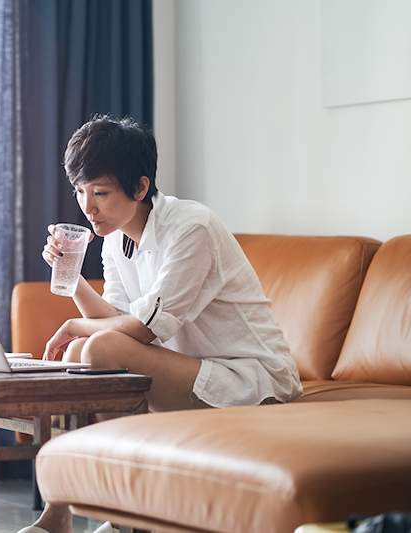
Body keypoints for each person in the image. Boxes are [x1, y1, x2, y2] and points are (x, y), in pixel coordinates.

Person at [18, 116, 302, 533]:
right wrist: (73, 278)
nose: (87, 206)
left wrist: (77, 328)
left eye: (100, 192)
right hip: (187, 369)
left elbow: (143, 330)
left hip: (250, 379)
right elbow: (114, 319)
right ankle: (61, 513)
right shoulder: (115, 238)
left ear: (140, 187)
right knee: (86, 351)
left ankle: (120, 517)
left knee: (93, 348)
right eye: (80, 191)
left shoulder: (191, 228)